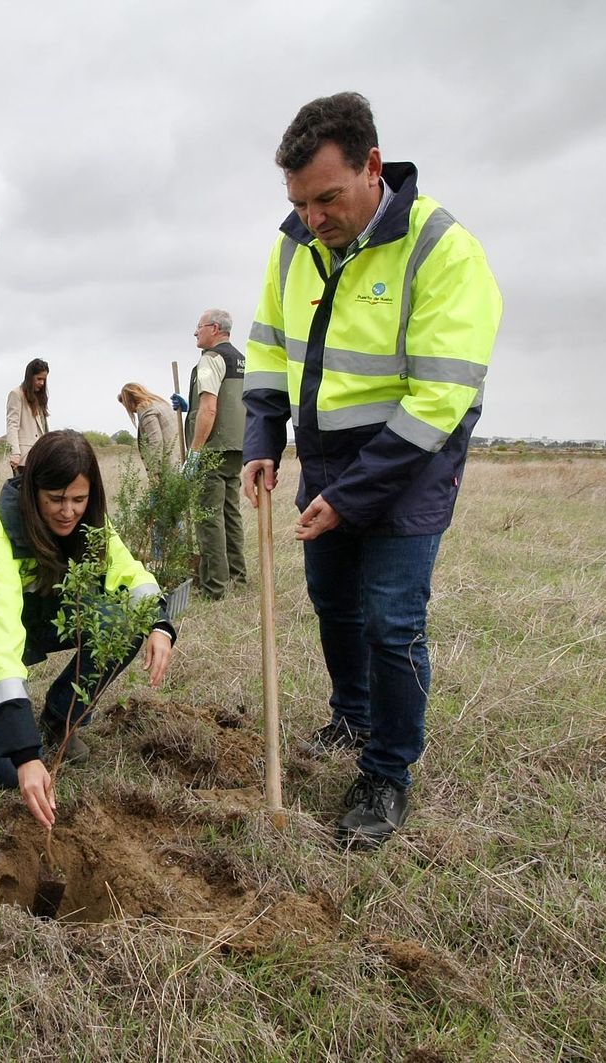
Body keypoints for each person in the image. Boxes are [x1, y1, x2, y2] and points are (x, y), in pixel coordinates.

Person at [240, 92, 501, 849]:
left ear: (373, 167)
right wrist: (263, 435)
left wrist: (350, 498)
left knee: (391, 620)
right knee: (333, 602)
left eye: (328, 197)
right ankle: (351, 715)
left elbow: (438, 400)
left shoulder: (441, 249)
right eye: (299, 201)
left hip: (410, 464)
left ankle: (387, 771)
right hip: (325, 460)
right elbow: (268, 349)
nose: (313, 217)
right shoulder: (294, 244)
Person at [0, 430, 176, 828]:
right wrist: (28, 756)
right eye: (56, 499)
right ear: (33, 491)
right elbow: (0, 643)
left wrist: (159, 624)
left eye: (78, 500)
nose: (68, 511)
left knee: (123, 621)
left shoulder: (91, 522)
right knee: (7, 772)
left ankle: (60, 719)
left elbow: (128, 571)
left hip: (40, 614)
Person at [171, 309, 248, 600]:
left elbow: (210, 408)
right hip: (236, 446)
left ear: (214, 328)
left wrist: (195, 453)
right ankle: (238, 577)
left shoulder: (210, 359)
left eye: (199, 327)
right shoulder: (241, 359)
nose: (195, 332)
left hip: (212, 449)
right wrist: (188, 406)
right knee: (230, 512)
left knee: (208, 516)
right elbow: (232, 405)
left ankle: (214, 586)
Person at [117, 382, 179, 480]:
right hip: (180, 463)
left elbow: (156, 441)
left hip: (169, 469)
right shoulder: (160, 403)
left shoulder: (145, 409)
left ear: (129, 401)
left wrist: (154, 474)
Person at [6, 358, 49, 472]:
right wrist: (15, 453)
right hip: (23, 458)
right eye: (39, 379)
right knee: (22, 489)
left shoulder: (39, 397)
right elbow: (12, 425)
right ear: (30, 376)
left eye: (44, 380)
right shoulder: (16, 394)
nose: (42, 383)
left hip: (41, 456)